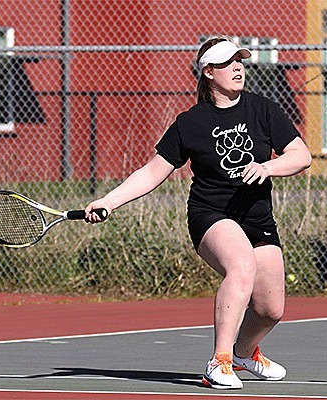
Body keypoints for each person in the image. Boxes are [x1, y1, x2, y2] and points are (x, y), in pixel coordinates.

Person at [85, 36, 312, 390]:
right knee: (241, 266)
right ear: (208, 72)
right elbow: (152, 172)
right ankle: (218, 362)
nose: (238, 67)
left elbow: (301, 155)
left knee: (271, 310)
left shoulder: (263, 109)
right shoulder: (189, 123)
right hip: (212, 215)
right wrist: (108, 201)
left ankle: (243, 352)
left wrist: (268, 167)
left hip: (257, 218)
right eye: (227, 63)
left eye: (240, 60)